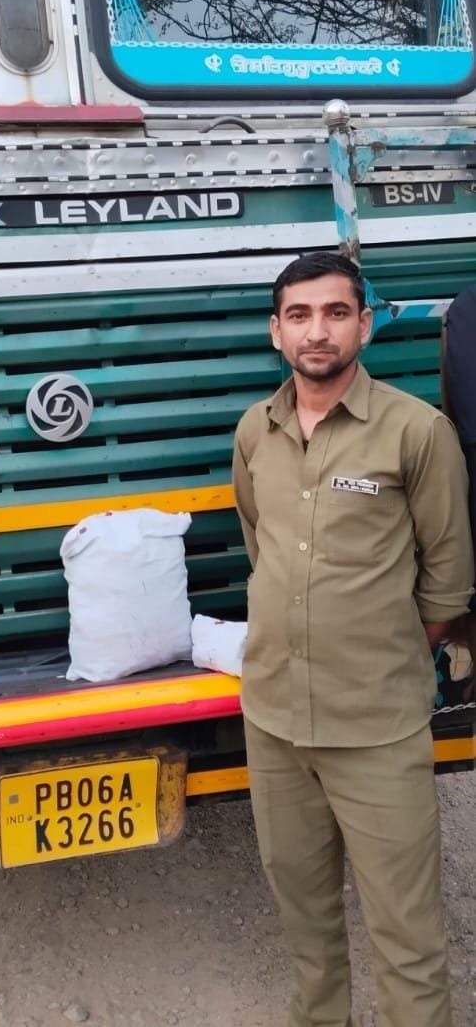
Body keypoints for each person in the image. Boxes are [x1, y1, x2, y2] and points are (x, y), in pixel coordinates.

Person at [231, 250, 473, 1027]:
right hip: (274, 724)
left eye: (336, 312)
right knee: (307, 932)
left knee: (408, 942)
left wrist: (379, 650)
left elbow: (447, 580)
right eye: (299, 315)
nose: (317, 331)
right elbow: (261, 545)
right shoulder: (256, 431)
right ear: (275, 331)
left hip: (376, 729)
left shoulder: (417, 431)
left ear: (364, 325)